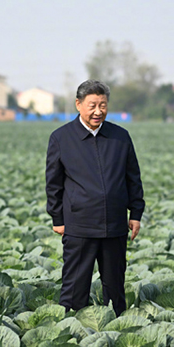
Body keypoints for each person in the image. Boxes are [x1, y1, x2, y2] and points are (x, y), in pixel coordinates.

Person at [45, 80, 144, 316]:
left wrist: (136, 213)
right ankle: (72, 330)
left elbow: (133, 178)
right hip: (79, 225)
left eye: (103, 105)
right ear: (78, 105)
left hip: (114, 225)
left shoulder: (120, 137)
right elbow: (54, 183)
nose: (98, 111)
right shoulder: (61, 138)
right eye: (92, 105)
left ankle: (117, 325)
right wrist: (57, 218)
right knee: (75, 287)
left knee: (115, 287)